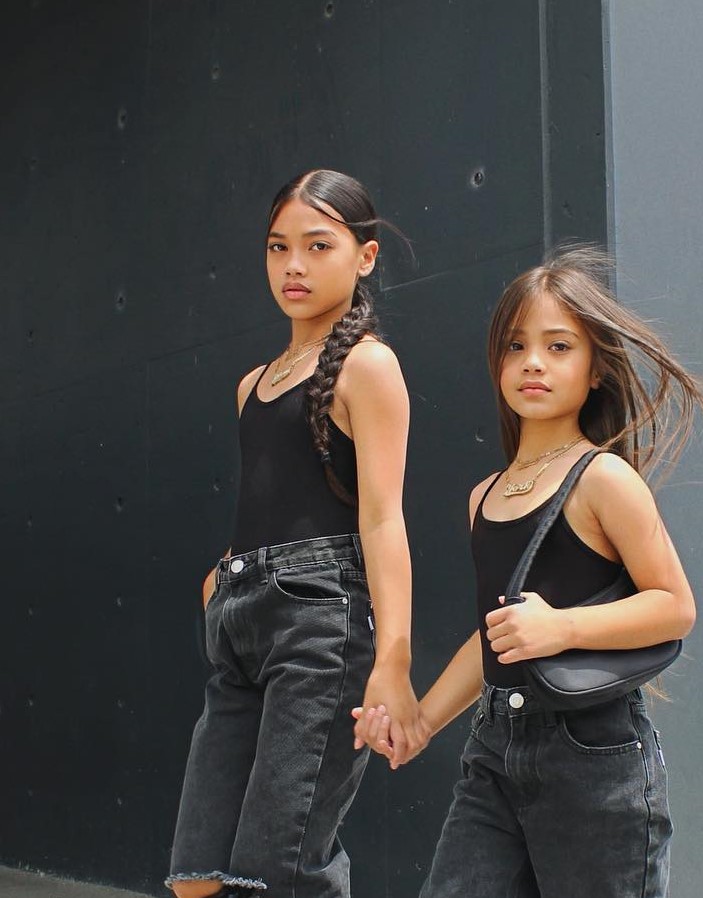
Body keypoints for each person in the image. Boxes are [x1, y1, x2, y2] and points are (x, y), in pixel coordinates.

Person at [354, 246, 703, 897]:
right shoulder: (484, 497)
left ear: (594, 371)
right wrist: (419, 723)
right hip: (495, 752)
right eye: (516, 346)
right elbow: (493, 636)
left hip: (591, 758)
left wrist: (560, 627)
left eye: (559, 346)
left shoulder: (603, 479)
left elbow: (675, 606)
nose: (532, 362)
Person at [166, 169, 427, 898]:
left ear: (364, 256)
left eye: (318, 246)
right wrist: (225, 575)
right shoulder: (253, 384)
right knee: (196, 875)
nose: (295, 267)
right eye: (279, 248)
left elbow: (381, 517)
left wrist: (394, 662)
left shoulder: (368, 366)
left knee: (276, 872)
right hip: (242, 623)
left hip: (320, 624)